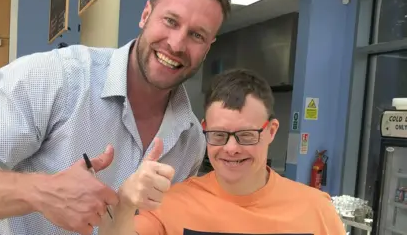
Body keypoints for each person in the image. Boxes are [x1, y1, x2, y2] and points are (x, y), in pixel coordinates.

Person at [0, 0, 231, 235]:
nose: (177, 44)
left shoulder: (191, 141)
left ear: (209, 46)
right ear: (145, 15)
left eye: (197, 35)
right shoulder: (56, 77)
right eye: (170, 21)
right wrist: (43, 192)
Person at [99, 68, 346, 235]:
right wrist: (125, 204)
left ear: (271, 130)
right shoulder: (172, 204)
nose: (231, 148)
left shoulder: (316, 210)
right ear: (205, 130)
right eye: (219, 135)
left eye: (247, 135)